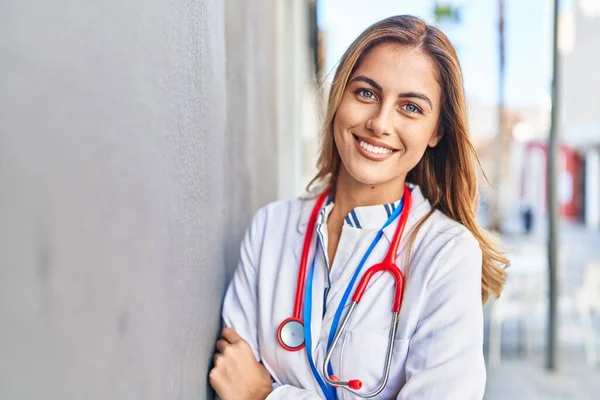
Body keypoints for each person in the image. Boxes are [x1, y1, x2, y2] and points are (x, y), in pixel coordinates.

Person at [209, 15, 509, 400]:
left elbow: (245, 389)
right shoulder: (271, 227)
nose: (380, 123)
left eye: (411, 108)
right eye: (366, 93)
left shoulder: (446, 254)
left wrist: (264, 394)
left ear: (437, 131)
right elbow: (231, 375)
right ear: (339, 97)